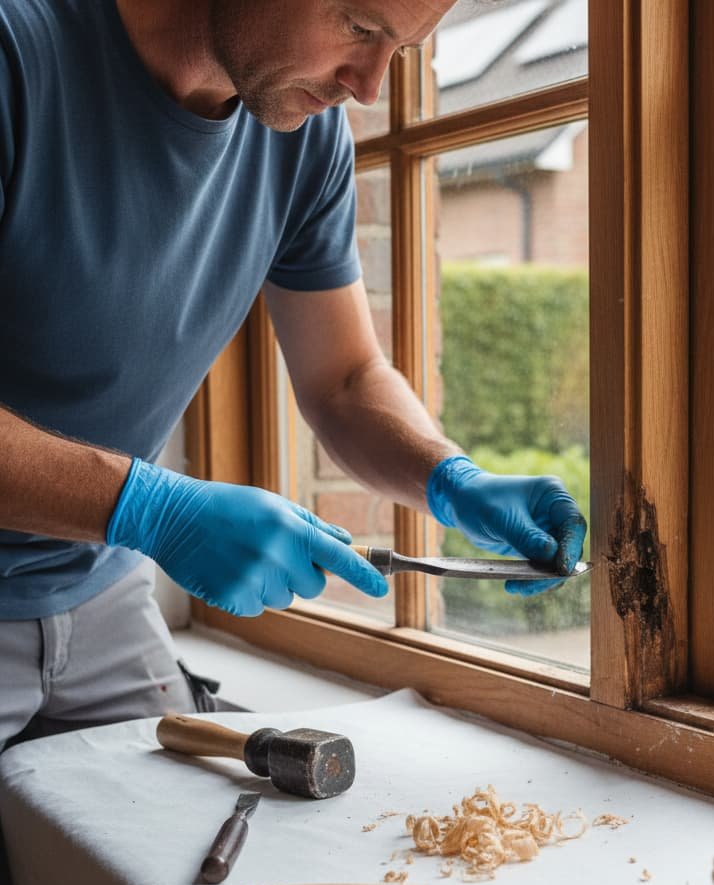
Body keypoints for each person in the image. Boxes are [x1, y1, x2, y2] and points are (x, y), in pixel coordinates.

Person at [0, 0, 588, 752]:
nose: (370, 86)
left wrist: (450, 477)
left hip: (103, 593)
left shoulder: (306, 138)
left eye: (399, 51)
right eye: (359, 27)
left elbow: (344, 377)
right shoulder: (17, 52)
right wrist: (151, 509)